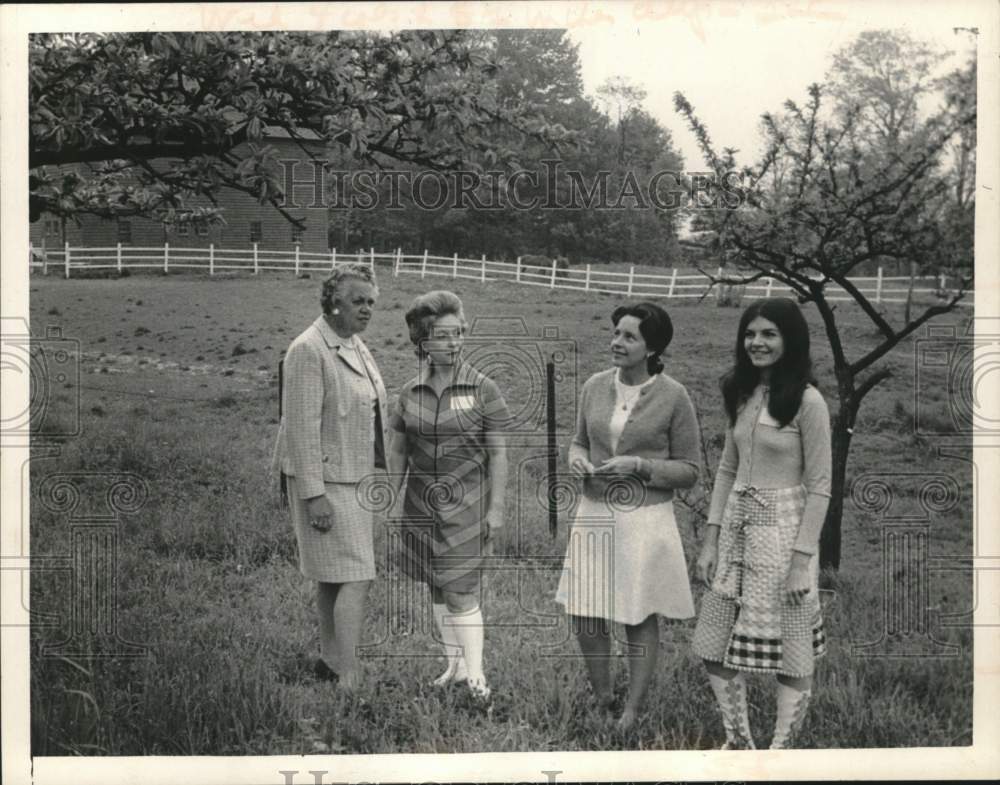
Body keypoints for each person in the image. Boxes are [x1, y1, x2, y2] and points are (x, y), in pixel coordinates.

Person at [692, 298, 832, 750]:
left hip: (784, 533)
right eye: (751, 334)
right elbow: (729, 470)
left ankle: (780, 750)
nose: (757, 342)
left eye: (769, 333)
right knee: (713, 641)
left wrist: (800, 562)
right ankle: (738, 740)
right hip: (736, 529)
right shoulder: (742, 392)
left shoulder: (808, 401)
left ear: (790, 340)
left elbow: (822, 486)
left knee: (791, 650)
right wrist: (711, 540)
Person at [555, 301, 701, 731]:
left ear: (652, 347)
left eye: (629, 336)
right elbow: (578, 441)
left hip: (643, 520)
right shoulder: (595, 385)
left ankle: (632, 711)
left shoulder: (674, 396)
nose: (617, 342)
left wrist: (640, 466)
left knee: (637, 613)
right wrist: (577, 460)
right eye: (616, 333)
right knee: (584, 609)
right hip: (595, 513)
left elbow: (690, 471)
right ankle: (603, 696)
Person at [386, 290, 509, 699]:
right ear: (422, 341)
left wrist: (496, 510)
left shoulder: (483, 388)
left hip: (468, 508)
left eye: (459, 334)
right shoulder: (409, 392)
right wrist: (391, 500)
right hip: (420, 507)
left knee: (459, 590)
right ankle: (454, 667)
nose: (454, 343)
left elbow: (498, 452)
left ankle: (477, 679)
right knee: (436, 587)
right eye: (443, 335)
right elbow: (400, 450)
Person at [272, 263, 389, 690]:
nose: (366, 310)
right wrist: (313, 495)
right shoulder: (308, 349)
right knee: (357, 575)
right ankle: (350, 673)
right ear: (333, 302)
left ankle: (329, 661)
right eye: (358, 301)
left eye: (371, 302)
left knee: (333, 576)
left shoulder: (353, 344)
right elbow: (300, 428)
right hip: (326, 482)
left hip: (354, 477)